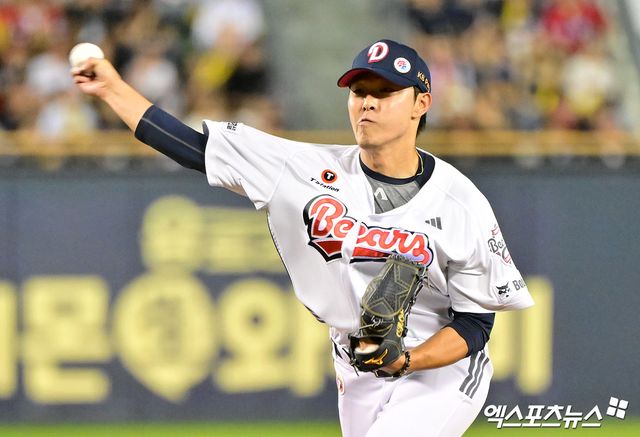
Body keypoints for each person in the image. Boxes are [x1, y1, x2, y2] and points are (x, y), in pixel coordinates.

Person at [71, 39, 534, 437]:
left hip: (439, 369)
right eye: (359, 91)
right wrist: (111, 88)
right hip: (355, 362)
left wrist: (408, 360)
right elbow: (191, 147)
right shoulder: (302, 170)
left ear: (421, 103)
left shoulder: (461, 203)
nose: (368, 103)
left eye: (385, 92)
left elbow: (476, 324)